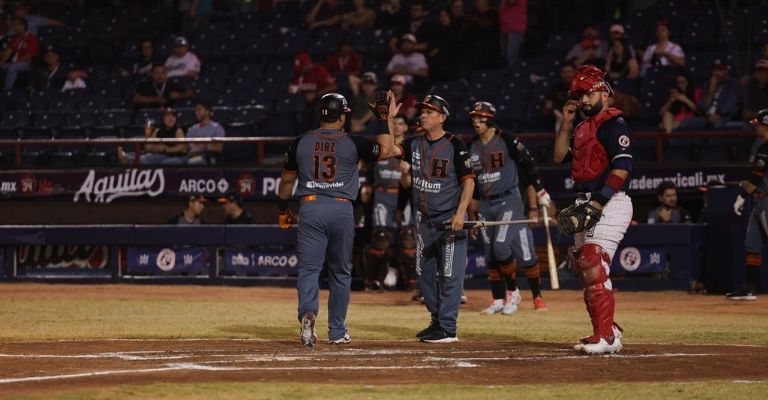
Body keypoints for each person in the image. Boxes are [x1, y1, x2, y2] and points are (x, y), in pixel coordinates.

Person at [276, 91, 404, 347]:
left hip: (310, 207)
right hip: (341, 208)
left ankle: (308, 313)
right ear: (342, 116)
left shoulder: (300, 142)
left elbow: (287, 182)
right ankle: (336, 331)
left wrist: (282, 210)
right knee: (340, 273)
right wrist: (383, 118)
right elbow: (388, 149)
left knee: (309, 270)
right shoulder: (353, 142)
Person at [554, 65, 633, 354]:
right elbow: (559, 155)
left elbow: (623, 168)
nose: (583, 100)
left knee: (593, 261)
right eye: (579, 96)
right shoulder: (581, 127)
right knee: (585, 268)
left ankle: (607, 338)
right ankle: (606, 330)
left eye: (586, 94)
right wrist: (565, 122)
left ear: (602, 91)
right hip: (585, 201)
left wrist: (599, 202)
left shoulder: (615, 125)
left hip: (611, 201)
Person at [396, 95, 475, 343]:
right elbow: (389, 150)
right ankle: (436, 320)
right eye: (422, 111)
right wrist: (386, 119)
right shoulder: (414, 144)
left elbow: (469, 181)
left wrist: (461, 213)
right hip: (426, 221)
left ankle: (448, 328)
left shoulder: (456, 145)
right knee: (423, 274)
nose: (423, 115)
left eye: (430, 112)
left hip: (449, 220)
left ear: (442, 117)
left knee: (450, 275)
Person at [466, 101, 551, 315]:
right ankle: (497, 299)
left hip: (509, 200)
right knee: (490, 253)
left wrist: (540, 191)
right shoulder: (471, 146)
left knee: (501, 247)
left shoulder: (507, 139)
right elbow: (472, 183)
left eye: (480, 117)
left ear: (490, 119)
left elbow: (528, 164)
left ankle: (514, 292)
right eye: (474, 117)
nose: (475, 121)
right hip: (485, 203)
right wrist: (472, 214)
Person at [366, 114, 412, 291]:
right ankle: (372, 281)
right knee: (381, 238)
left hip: (404, 196)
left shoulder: (412, 148)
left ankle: (412, 283)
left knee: (408, 238)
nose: (398, 126)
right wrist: (367, 187)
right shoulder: (382, 148)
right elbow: (369, 170)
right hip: (382, 196)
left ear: (406, 127)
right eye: (395, 123)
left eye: (402, 123)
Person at [730, 109, 768, 301]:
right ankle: (750, 287)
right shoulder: (762, 146)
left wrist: (742, 196)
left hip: (766, 201)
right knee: (753, 244)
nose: (756, 128)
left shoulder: (765, 148)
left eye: (758, 124)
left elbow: (756, 177)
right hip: (761, 201)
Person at [118, 107, 188, 165]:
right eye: (168, 116)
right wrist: (148, 138)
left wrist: (165, 149)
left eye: (173, 116)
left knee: (167, 163)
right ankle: (126, 158)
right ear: (163, 119)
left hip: (176, 156)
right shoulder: (158, 130)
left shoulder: (178, 130)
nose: (171, 118)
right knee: (145, 158)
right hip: (160, 155)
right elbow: (148, 147)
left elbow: (181, 148)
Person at [1, 16, 39, 89]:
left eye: (16, 25)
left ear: (23, 26)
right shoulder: (15, 38)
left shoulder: (31, 38)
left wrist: (16, 62)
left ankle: (6, 91)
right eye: (13, 25)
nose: (13, 27)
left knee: (12, 67)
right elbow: (9, 50)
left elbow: (29, 55)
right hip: (14, 62)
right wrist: (2, 61)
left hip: (27, 63)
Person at [541, 62, 576, 132]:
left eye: (569, 72)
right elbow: (547, 107)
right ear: (560, 74)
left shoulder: (580, 88)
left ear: (575, 73)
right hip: (557, 119)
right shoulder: (555, 88)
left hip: (575, 120)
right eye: (564, 72)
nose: (567, 75)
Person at [499, 0, 527, 67]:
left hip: (515, 27)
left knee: (511, 56)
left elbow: (512, 1)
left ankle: (516, 73)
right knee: (504, 53)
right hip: (505, 26)